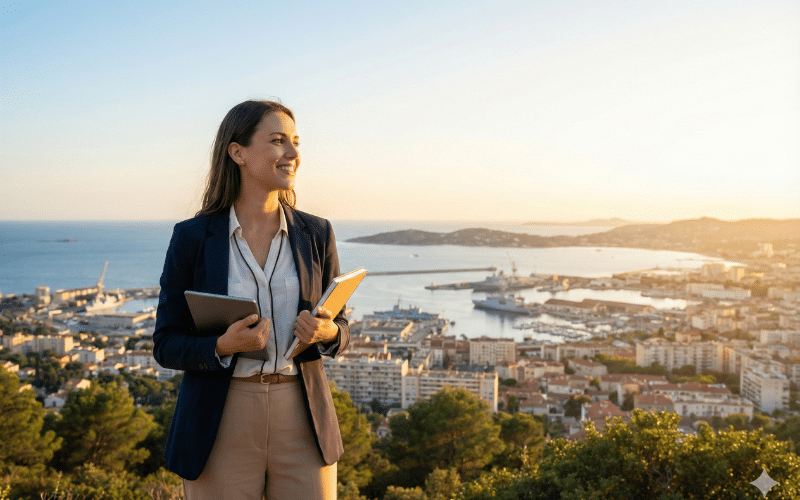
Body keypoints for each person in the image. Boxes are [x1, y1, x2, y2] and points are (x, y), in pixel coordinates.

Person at [153, 99, 349, 500]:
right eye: (278, 141)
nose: (293, 154)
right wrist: (224, 345)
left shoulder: (316, 233)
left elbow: (342, 328)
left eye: (295, 141)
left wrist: (328, 332)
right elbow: (165, 343)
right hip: (220, 418)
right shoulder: (192, 238)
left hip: (303, 417)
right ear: (237, 152)